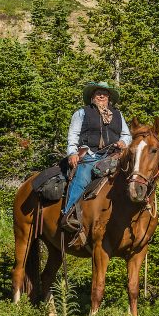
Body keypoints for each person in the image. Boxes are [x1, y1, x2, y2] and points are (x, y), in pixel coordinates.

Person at [62, 82, 131, 233]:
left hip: (113, 156)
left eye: (105, 94)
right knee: (82, 178)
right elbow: (73, 135)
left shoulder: (118, 115)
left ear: (109, 98)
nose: (101, 96)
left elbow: (127, 135)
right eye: (98, 93)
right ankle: (69, 214)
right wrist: (72, 153)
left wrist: (123, 142)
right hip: (90, 155)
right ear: (92, 97)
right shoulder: (82, 113)